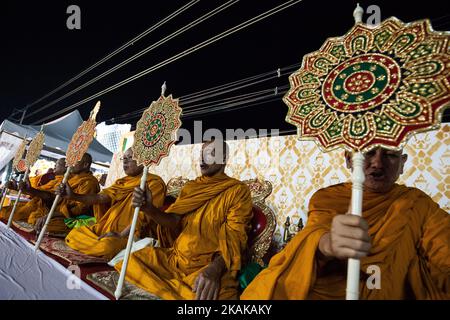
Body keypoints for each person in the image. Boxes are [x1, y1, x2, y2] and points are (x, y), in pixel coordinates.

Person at [241, 147, 450, 300]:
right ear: (349, 160)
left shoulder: (418, 204)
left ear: (403, 163)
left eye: (390, 155)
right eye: (368, 152)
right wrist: (329, 243)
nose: (378, 163)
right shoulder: (328, 198)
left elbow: (443, 249)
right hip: (335, 288)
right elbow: (317, 230)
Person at [114, 139, 253, 300]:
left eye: (210, 154)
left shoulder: (237, 191)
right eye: (201, 154)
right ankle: (173, 291)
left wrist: (214, 270)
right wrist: (149, 209)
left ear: (223, 159)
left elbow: (236, 238)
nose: (202, 159)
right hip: (176, 260)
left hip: (207, 266)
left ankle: (164, 290)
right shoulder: (191, 187)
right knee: (132, 261)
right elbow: (173, 221)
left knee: (217, 295)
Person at [60, 148, 166, 260]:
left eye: (130, 158)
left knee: (107, 246)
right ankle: (98, 244)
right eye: (124, 158)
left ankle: (102, 246)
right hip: (107, 228)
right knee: (75, 233)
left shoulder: (154, 183)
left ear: (143, 160)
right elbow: (100, 198)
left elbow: (144, 218)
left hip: (131, 235)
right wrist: (74, 196)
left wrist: (121, 235)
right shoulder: (122, 182)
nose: (125, 161)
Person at [33, 153, 100, 235]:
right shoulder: (71, 178)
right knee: (34, 216)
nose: (71, 164)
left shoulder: (89, 182)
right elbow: (55, 197)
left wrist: (52, 215)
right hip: (57, 212)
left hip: (72, 217)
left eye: (76, 161)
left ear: (85, 165)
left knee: (46, 225)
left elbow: (80, 209)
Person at [0, 158, 67, 222]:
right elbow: (35, 191)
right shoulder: (52, 178)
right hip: (34, 203)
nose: (54, 166)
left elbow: (50, 197)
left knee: (9, 214)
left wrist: (30, 190)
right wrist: (16, 188)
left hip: (47, 209)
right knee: (4, 211)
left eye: (58, 164)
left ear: (65, 167)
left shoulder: (64, 181)